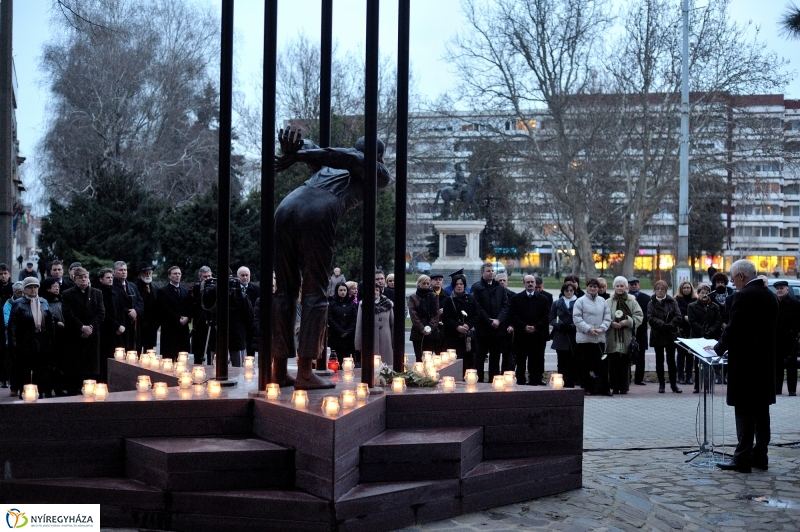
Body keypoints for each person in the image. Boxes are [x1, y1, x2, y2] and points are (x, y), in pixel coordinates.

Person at [272, 128, 391, 389]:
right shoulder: (377, 171)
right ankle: (304, 372)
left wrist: (299, 152)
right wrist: (295, 147)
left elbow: (336, 154)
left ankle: (278, 370)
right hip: (316, 213)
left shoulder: (338, 164)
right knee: (315, 293)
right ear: (380, 156)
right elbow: (320, 149)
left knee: (285, 292)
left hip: (286, 207)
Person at [715, 259, 779, 473]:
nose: (733, 283)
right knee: (762, 413)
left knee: (744, 411)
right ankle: (760, 456)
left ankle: (742, 457)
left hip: (745, 365)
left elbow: (734, 329)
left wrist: (718, 348)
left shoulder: (744, 296)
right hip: (765, 364)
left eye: (733, 279)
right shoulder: (770, 295)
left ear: (741, 276)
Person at [8, 277, 56, 398]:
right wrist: (14, 344)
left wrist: (51, 340)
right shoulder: (18, 303)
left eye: (35, 287)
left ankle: (39, 394)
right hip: (25, 341)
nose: (33, 290)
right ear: (24, 289)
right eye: (30, 287)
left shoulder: (43, 302)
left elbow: (50, 322)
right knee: (25, 370)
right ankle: (25, 394)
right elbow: (12, 325)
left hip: (42, 341)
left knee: (41, 369)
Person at [61, 268, 105, 391]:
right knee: (75, 367)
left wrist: (90, 327)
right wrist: (82, 327)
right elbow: (68, 314)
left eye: (85, 277)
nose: (83, 279)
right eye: (80, 277)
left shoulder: (97, 293)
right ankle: (74, 391)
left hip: (92, 335)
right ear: (74, 279)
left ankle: (90, 390)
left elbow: (101, 313)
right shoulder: (67, 294)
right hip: (75, 334)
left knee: (91, 367)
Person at [471, 262, 510, 382]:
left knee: (495, 357)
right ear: (482, 272)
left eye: (492, 271)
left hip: (497, 329)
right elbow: (477, 306)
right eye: (488, 271)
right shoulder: (477, 287)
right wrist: (488, 320)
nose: (491, 273)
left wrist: (499, 320)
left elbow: (505, 305)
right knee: (480, 357)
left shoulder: (499, 287)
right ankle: (479, 382)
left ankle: (494, 381)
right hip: (482, 329)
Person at [509, 275, 550, 386]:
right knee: (521, 361)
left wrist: (535, 327)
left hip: (537, 335)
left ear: (535, 283)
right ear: (524, 284)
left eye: (532, 282)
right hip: (521, 335)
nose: (530, 284)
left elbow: (546, 316)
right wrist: (524, 326)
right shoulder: (516, 298)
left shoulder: (543, 299)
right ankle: (520, 382)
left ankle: (534, 382)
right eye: (528, 282)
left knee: (535, 361)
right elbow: (513, 315)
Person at [573, 278, 611, 395]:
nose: (593, 288)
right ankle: (587, 388)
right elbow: (577, 318)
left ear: (598, 288)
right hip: (584, 339)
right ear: (587, 287)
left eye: (595, 287)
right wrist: (588, 329)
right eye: (590, 286)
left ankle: (604, 388)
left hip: (599, 338)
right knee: (585, 365)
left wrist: (602, 328)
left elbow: (607, 317)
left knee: (600, 364)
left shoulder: (603, 301)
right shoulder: (580, 301)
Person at [606, 276, 643, 395]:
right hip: (612, 336)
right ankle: (614, 386)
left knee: (624, 363)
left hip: (626, 336)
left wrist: (627, 322)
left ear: (626, 287)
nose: (619, 288)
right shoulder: (608, 301)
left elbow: (639, 317)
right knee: (613, 363)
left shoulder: (632, 301)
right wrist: (611, 323)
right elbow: (604, 316)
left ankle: (624, 387)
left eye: (622, 286)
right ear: (614, 287)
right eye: (617, 286)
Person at [687, 283, 723, 394]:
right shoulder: (692, 306)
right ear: (698, 294)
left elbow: (718, 321)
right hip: (697, 336)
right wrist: (702, 330)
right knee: (697, 362)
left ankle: (708, 385)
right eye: (702, 293)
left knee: (710, 362)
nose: (704, 295)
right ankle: (697, 385)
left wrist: (711, 330)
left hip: (711, 337)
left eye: (707, 293)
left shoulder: (714, 306)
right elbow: (692, 321)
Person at [647, 280, 682, 394]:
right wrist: (663, 324)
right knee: (659, 360)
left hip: (670, 334)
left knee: (671, 361)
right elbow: (650, 318)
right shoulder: (651, 303)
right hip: (657, 334)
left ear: (666, 291)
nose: (660, 291)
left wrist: (670, 325)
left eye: (662, 289)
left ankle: (673, 384)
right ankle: (661, 384)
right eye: (658, 289)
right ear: (655, 290)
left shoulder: (672, 301)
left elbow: (678, 316)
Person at [442, 273, 481, 369]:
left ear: (464, 285)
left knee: (469, 362)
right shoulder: (449, 300)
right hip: (453, 336)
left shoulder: (471, 298)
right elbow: (446, 318)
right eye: (456, 284)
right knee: (455, 363)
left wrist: (468, 325)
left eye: (461, 284)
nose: (459, 286)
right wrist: (457, 326)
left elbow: (477, 315)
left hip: (468, 337)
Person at [156, 266, 192, 360]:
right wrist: (178, 318)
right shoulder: (162, 291)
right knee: (169, 359)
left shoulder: (185, 291)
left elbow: (189, 307)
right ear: (169, 276)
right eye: (175, 273)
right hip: (170, 330)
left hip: (183, 331)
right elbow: (164, 309)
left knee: (183, 359)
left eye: (179, 274)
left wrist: (187, 317)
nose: (177, 275)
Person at [355, 283, 394, 365]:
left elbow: (392, 323)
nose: (375, 292)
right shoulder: (363, 304)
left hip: (385, 338)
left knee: (386, 364)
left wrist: (394, 341)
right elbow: (359, 324)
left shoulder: (388, 304)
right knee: (369, 364)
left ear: (380, 292)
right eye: (373, 290)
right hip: (369, 338)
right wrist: (358, 343)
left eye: (377, 290)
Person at [773, 280, 800, 396]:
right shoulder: (773, 303)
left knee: (791, 366)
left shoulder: (795, 304)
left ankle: (792, 390)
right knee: (777, 365)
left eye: (782, 288)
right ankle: (777, 389)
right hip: (776, 339)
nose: (779, 290)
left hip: (791, 340)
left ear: (787, 289)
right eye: (777, 289)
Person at [40, 278, 66, 395]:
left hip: (62, 335)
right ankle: (47, 388)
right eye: (54, 286)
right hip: (49, 336)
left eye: (57, 286)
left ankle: (58, 387)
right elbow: (46, 316)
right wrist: (56, 322)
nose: (57, 288)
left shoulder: (61, 299)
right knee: (49, 364)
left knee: (60, 363)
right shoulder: (43, 301)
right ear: (47, 288)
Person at [111, 261, 144, 351]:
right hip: (121, 323)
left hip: (134, 325)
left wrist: (136, 310)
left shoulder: (133, 286)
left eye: (125, 270)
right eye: (121, 270)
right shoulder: (111, 286)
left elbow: (140, 302)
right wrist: (129, 311)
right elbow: (113, 305)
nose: (123, 272)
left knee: (133, 352)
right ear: (114, 272)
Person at [549, 282, 578, 388]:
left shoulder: (578, 302)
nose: (569, 292)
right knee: (561, 361)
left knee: (572, 361)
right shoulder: (557, 303)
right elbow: (551, 318)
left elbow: (582, 317)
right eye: (566, 290)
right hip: (560, 335)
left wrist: (572, 326)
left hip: (573, 335)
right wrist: (559, 325)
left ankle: (571, 383)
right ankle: (561, 383)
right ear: (563, 291)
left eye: (571, 290)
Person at [407, 275, 439, 362]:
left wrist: (430, 328)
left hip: (431, 332)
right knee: (419, 357)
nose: (426, 285)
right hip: (418, 332)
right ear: (418, 284)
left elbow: (436, 314)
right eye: (424, 283)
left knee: (429, 358)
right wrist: (421, 328)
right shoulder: (413, 297)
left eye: (428, 283)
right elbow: (413, 314)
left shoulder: (434, 296)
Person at [190, 266, 215, 365]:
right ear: (200, 278)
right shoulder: (196, 289)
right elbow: (193, 307)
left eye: (209, 276)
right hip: (199, 327)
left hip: (212, 328)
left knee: (212, 354)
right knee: (199, 356)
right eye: (205, 277)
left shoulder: (214, 289)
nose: (208, 279)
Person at [327, 282, 358, 361]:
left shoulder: (351, 303)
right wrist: (340, 331)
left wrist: (348, 332)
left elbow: (355, 319)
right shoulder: (332, 303)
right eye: (340, 290)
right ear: (337, 291)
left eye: (344, 290)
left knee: (347, 358)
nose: (343, 292)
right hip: (335, 335)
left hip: (349, 336)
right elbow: (330, 318)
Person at [628, 277, 650, 386]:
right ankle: (627, 377)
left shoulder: (646, 298)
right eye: (631, 284)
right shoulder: (625, 297)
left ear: (639, 285)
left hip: (641, 330)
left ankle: (639, 379)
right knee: (627, 354)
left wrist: (638, 320)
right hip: (627, 329)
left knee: (641, 355)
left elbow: (648, 313)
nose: (633, 286)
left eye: (635, 284)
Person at [674, 281, 696, 384]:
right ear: (681, 289)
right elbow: (675, 314)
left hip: (691, 330)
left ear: (691, 289)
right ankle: (680, 375)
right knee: (681, 354)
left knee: (690, 354)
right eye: (684, 288)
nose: (686, 289)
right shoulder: (677, 300)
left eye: (688, 288)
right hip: (681, 329)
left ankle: (689, 375)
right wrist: (684, 318)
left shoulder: (695, 300)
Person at [134, 262, 158, 352]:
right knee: (137, 350)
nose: (148, 275)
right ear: (140, 274)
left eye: (149, 273)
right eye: (145, 273)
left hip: (152, 325)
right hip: (139, 324)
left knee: (149, 352)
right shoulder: (134, 287)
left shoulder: (155, 288)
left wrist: (156, 322)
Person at [496, 273, 515, 374]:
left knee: (507, 356)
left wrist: (512, 325)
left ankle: (506, 375)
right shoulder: (493, 295)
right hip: (495, 329)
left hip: (508, 331)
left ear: (507, 282)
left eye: (504, 280)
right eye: (500, 281)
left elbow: (516, 313)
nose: (502, 282)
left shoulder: (513, 296)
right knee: (495, 356)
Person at [0, 264, 12, 388]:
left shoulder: (12, 288)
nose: (3, 276)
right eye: (1, 274)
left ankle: (7, 377)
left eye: (5, 273)